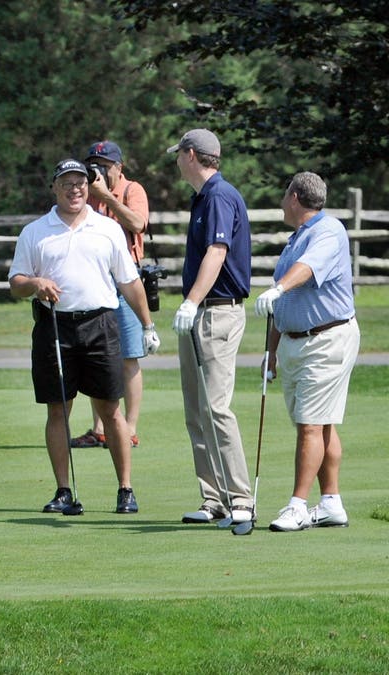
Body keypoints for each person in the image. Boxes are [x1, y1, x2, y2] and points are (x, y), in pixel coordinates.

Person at [8, 159, 160, 514]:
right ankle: (63, 490)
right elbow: (16, 283)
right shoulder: (35, 232)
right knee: (58, 408)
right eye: (67, 183)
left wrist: (147, 325)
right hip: (54, 326)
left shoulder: (106, 228)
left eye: (80, 182)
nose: (74, 188)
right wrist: (34, 283)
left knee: (111, 409)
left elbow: (129, 281)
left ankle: (125, 488)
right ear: (54, 188)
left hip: (100, 324)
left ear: (88, 188)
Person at [254, 172, 360, 532]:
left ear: (295, 197)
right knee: (321, 422)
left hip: (326, 339)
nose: (283, 201)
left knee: (310, 426)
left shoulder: (328, 231)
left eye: (285, 195)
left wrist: (278, 288)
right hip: (295, 342)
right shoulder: (295, 238)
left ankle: (297, 506)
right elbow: (280, 307)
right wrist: (271, 352)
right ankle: (331, 502)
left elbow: (306, 271)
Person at [167, 128, 254, 525]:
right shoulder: (202, 197)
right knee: (196, 410)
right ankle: (213, 497)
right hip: (203, 311)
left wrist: (190, 301)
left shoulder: (218, 195)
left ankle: (240, 498)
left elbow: (217, 253)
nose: (176, 162)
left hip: (216, 311)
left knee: (216, 408)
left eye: (178, 155)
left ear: (190, 155)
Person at [70, 140, 151, 450]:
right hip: (96, 283)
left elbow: (137, 223)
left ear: (119, 166)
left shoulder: (132, 190)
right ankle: (100, 428)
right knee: (97, 359)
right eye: (94, 164)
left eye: (104, 164)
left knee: (128, 357)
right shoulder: (87, 193)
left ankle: (128, 428)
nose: (99, 169)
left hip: (126, 283)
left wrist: (107, 198)